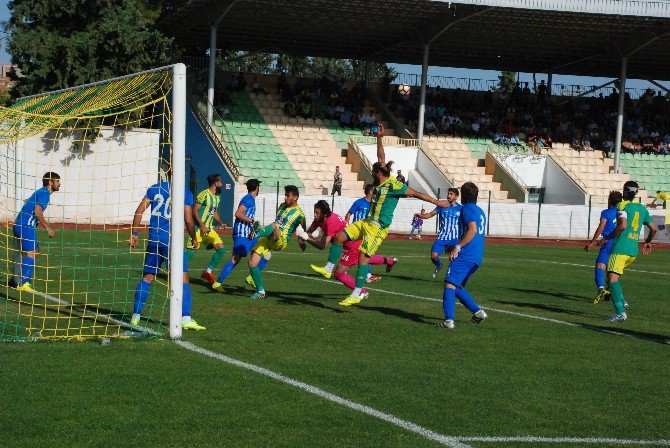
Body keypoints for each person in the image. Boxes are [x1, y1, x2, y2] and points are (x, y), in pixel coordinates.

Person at [311, 125, 446, 306]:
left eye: (374, 173)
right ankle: (328, 269)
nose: (372, 175)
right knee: (339, 237)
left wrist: (437, 202)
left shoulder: (394, 186)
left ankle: (357, 293)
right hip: (366, 222)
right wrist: (380, 138)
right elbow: (381, 157)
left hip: (377, 228)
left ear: (380, 174)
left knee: (363, 259)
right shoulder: (381, 177)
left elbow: (415, 193)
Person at [129, 177, 204, 330]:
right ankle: (185, 318)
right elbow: (188, 220)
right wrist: (194, 237)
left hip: (154, 239)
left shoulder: (154, 188)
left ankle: (135, 316)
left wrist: (134, 233)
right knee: (183, 279)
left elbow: (139, 211)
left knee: (148, 277)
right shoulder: (184, 192)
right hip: (172, 241)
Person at [304, 201, 396, 296]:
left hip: (353, 247)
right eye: (314, 212)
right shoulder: (319, 219)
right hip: (350, 244)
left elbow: (322, 246)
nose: (314, 215)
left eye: (317, 213)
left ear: (325, 214)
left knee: (339, 273)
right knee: (367, 259)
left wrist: (306, 238)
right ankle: (390, 261)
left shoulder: (331, 222)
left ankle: (361, 292)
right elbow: (309, 232)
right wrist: (303, 237)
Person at [597, 181, 657, 322]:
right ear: (636, 193)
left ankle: (620, 312)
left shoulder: (622, 205)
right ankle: (622, 302)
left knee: (611, 279)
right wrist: (647, 242)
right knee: (611, 277)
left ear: (624, 191)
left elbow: (622, 225)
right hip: (633, 251)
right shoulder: (642, 208)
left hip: (620, 248)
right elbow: (654, 229)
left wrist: (606, 239)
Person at [438, 182, 488, 329]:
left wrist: (458, 248)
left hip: (466, 254)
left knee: (449, 283)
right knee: (456, 285)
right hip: (477, 255)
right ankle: (478, 313)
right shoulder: (480, 211)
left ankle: (449, 321)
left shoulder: (466, 209)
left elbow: (472, 230)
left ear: (464, 195)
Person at [247, 185, 308, 300]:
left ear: (295, 197)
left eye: (288, 196)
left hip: (280, 241)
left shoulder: (300, 214)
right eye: (285, 195)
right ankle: (261, 292)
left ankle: (257, 233)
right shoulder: (282, 206)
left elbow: (302, 229)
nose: (285, 198)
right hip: (268, 237)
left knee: (274, 226)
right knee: (252, 263)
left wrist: (301, 242)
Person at [212, 179, 270, 292]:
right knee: (236, 259)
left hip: (246, 234)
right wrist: (251, 221)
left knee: (264, 252)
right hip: (242, 235)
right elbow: (238, 213)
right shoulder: (248, 199)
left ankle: (221, 283)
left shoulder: (250, 199)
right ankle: (220, 283)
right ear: (257, 187)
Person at [12, 172, 61, 292]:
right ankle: (23, 283)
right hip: (25, 225)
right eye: (57, 181)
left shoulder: (40, 192)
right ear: (50, 182)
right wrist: (48, 228)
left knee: (33, 251)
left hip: (21, 224)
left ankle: (16, 279)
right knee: (31, 253)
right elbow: (38, 211)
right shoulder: (44, 194)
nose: (60, 184)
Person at [185, 174, 227, 284]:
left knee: (222, 249)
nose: (222, 184)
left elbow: (214, 212)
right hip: (198, 229)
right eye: (220, 182)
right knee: (190, 252)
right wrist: (202, 226)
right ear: (216, 183)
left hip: (209, 229)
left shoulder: (217, 197)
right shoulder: (204, 194)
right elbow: (194, 211)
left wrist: (221, 223)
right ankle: (174, 270)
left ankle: (207, 272)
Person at [585, 191, 622, 304]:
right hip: (619, 244)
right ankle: (612, 292)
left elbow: (601, 227)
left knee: (600, 266)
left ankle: (601, 288)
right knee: (613, 271)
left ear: (610, 200)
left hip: (608, 242)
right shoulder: (622, 213)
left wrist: (592, 242)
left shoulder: (606, 212)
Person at [416, 188, 462, 278]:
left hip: (455, 238)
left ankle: (453, 278)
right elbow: (430, 214)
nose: (448, 195)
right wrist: (421, 216)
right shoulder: (442, 206)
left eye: (451, 194)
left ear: (456, 197)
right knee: (433, 256)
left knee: (456, 259)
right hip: (442, 237)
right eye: (448, 193)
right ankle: (439, 265)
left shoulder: (461, 209)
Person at [344, 184, 381, 282]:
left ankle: (367, 275)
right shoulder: (359, 202)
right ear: (370, 192)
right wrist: (347, 226)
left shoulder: (374, 205)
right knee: (356, 253)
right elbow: (348, 214)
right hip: (358, 232)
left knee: (366, 253)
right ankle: (345, 270)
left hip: (368, 233)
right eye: (374, 191)